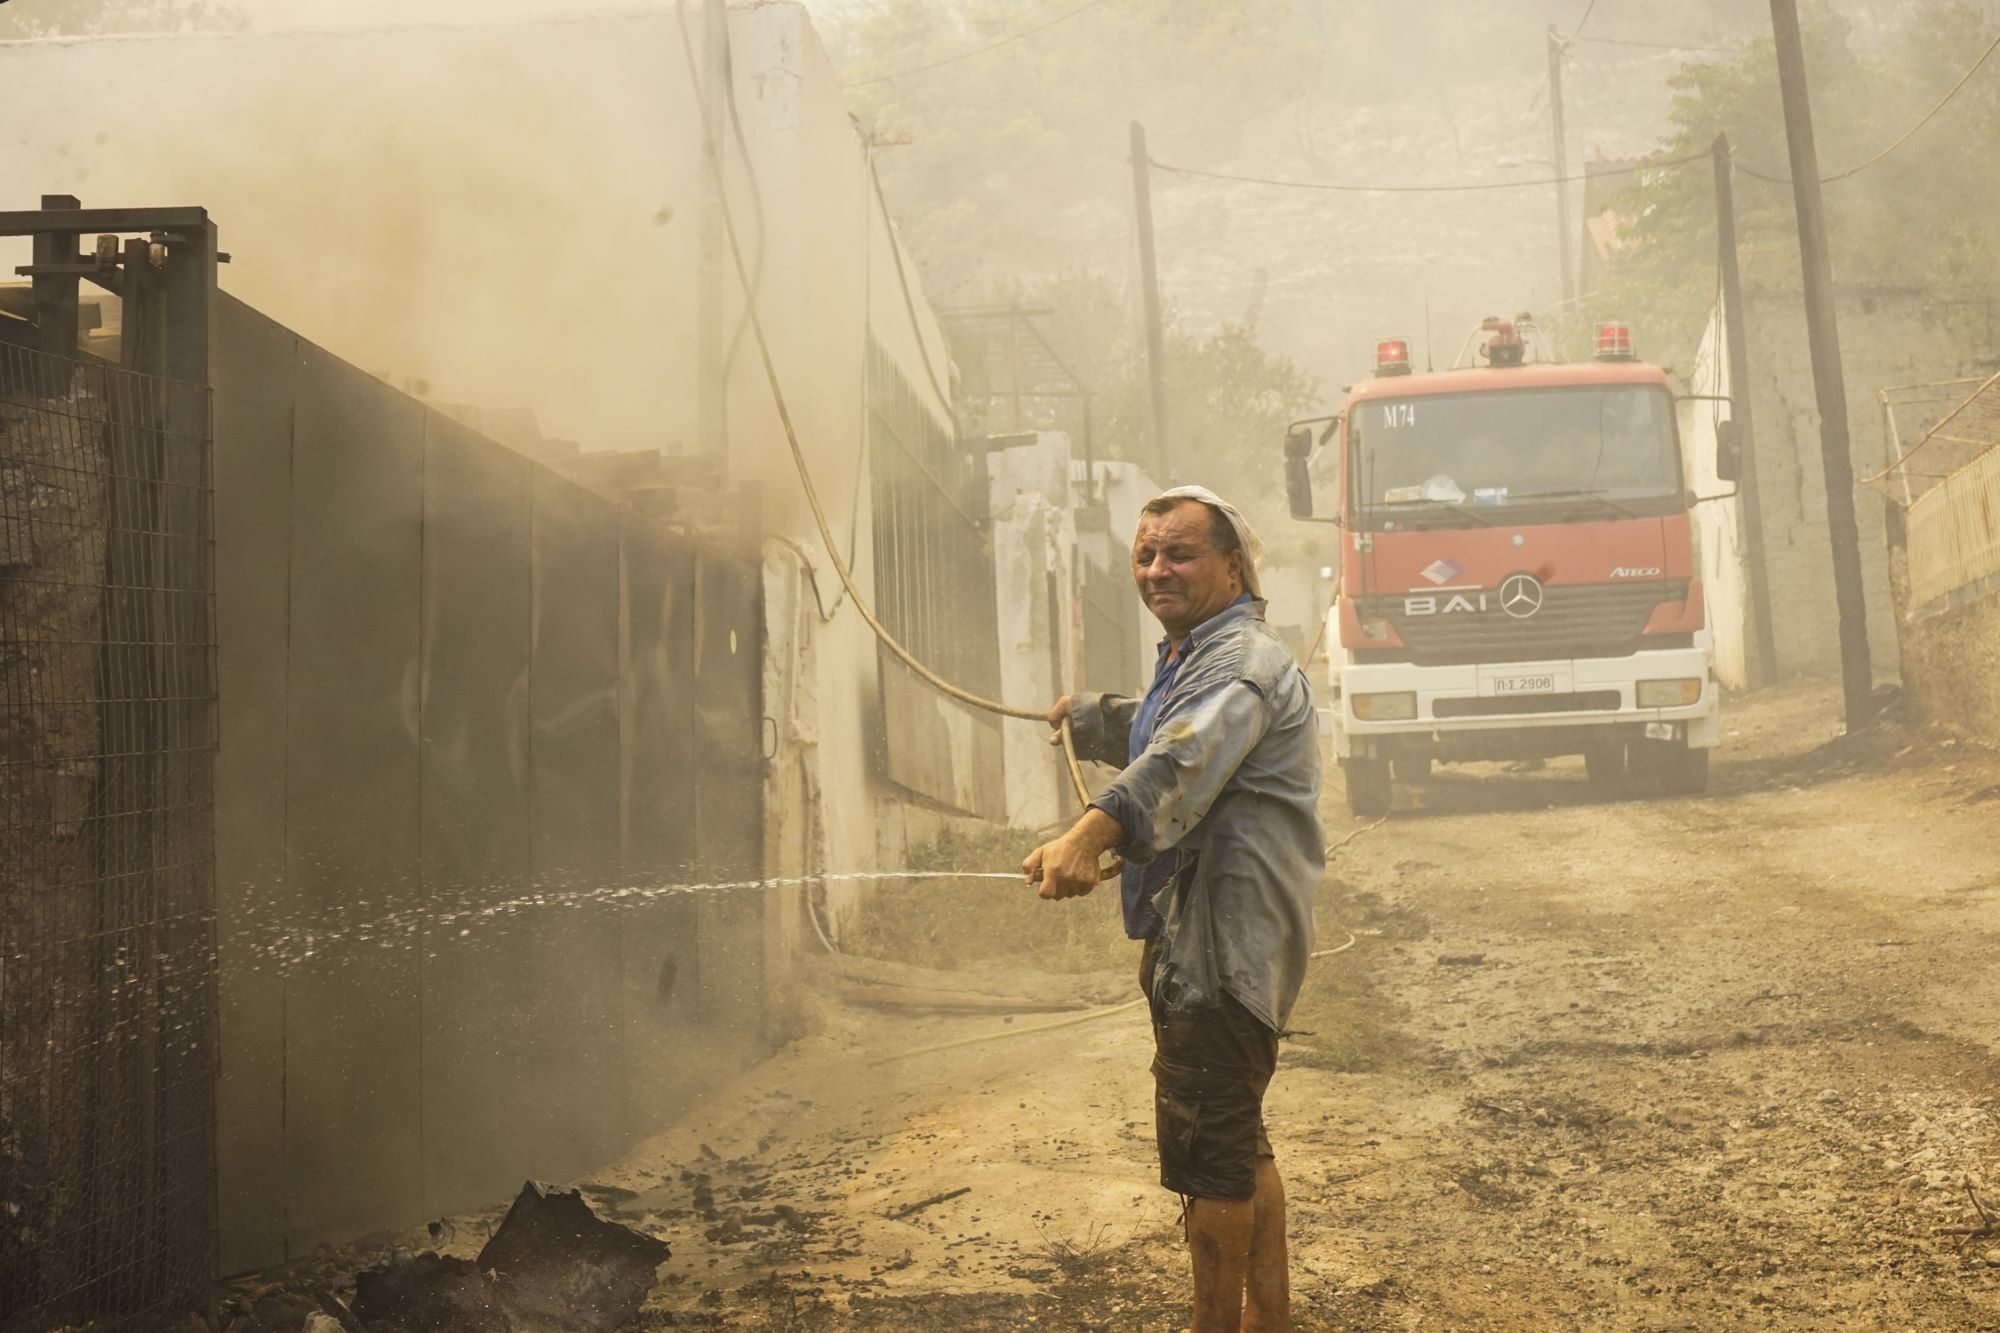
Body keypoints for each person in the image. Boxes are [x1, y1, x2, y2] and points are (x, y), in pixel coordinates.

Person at [1023, 486, 1325, 1333]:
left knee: (1211, 1165)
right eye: (1147, 554)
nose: (1159, 569)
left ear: (1235, 567)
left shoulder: (1238, 666)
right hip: (1221, 945)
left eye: (1181, 553)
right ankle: (1272, 1323)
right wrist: (1095, 718)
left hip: (1220, 952)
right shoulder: (1203, 653)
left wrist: (1086, 836)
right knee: (1238, 1138)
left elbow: (1179, 762)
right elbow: (1164, 726)